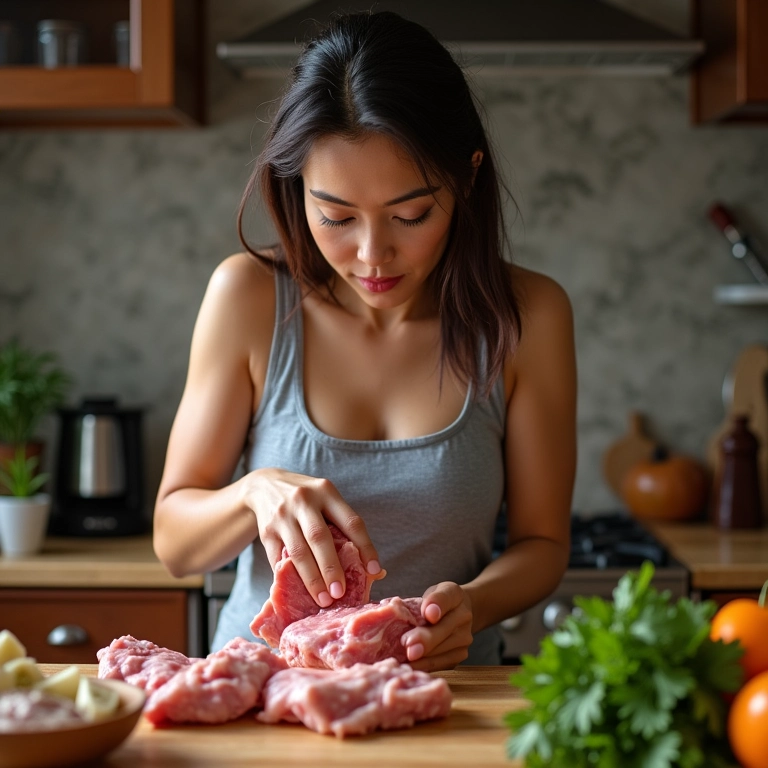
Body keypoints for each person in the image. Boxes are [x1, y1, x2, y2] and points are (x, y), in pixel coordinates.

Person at [153, 10, 577, 669]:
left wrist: (472, 604)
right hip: (266, 693)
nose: (373, 254)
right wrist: (255, 492)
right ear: (298, 191)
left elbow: (543, 543)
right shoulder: (248, 297)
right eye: (336, 216)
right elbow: (175, 542)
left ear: (466, 179)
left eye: (411, 215)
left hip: (447, 695)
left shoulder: (529, 316)